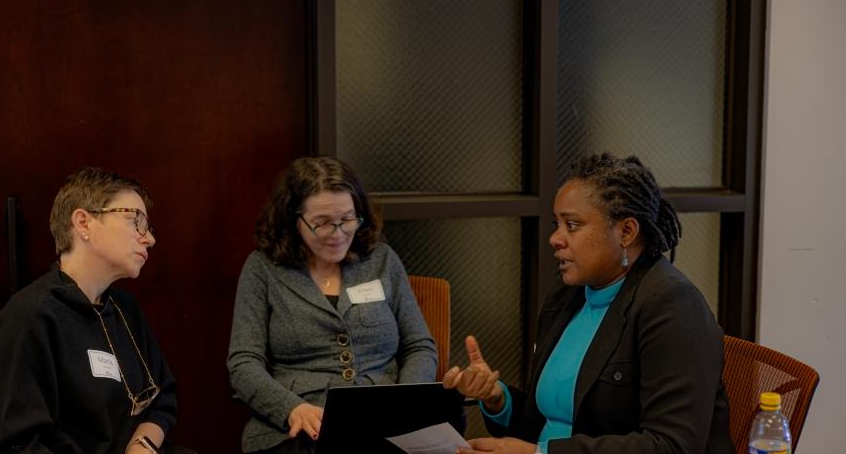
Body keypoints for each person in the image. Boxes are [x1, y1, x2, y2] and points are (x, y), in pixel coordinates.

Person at [443, 153, 733, 454]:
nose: (555, 238)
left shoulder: (672, 305)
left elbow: (673, 446)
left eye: (572, 225)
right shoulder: (567, 295)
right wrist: (496, 398)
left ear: (626, 232)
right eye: (557, 224)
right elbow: (546, 423)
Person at [0, 168, 177, 454]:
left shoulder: (124, 309)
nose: (149, 239)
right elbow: (9, 445)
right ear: (83, 223)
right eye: (136, 221)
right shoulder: (30, 318)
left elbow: (163, 397)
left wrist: (142, 446)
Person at [227, 156, 438, 454]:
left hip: (384, 419)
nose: (338, 234)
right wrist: (291, 408)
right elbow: (243, 363)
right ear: (293, 218)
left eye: (347, 219)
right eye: (322, 223)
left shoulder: (382, 260)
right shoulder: (263, 269)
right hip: (300, 427)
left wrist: (402, 404)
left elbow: (419, 346)